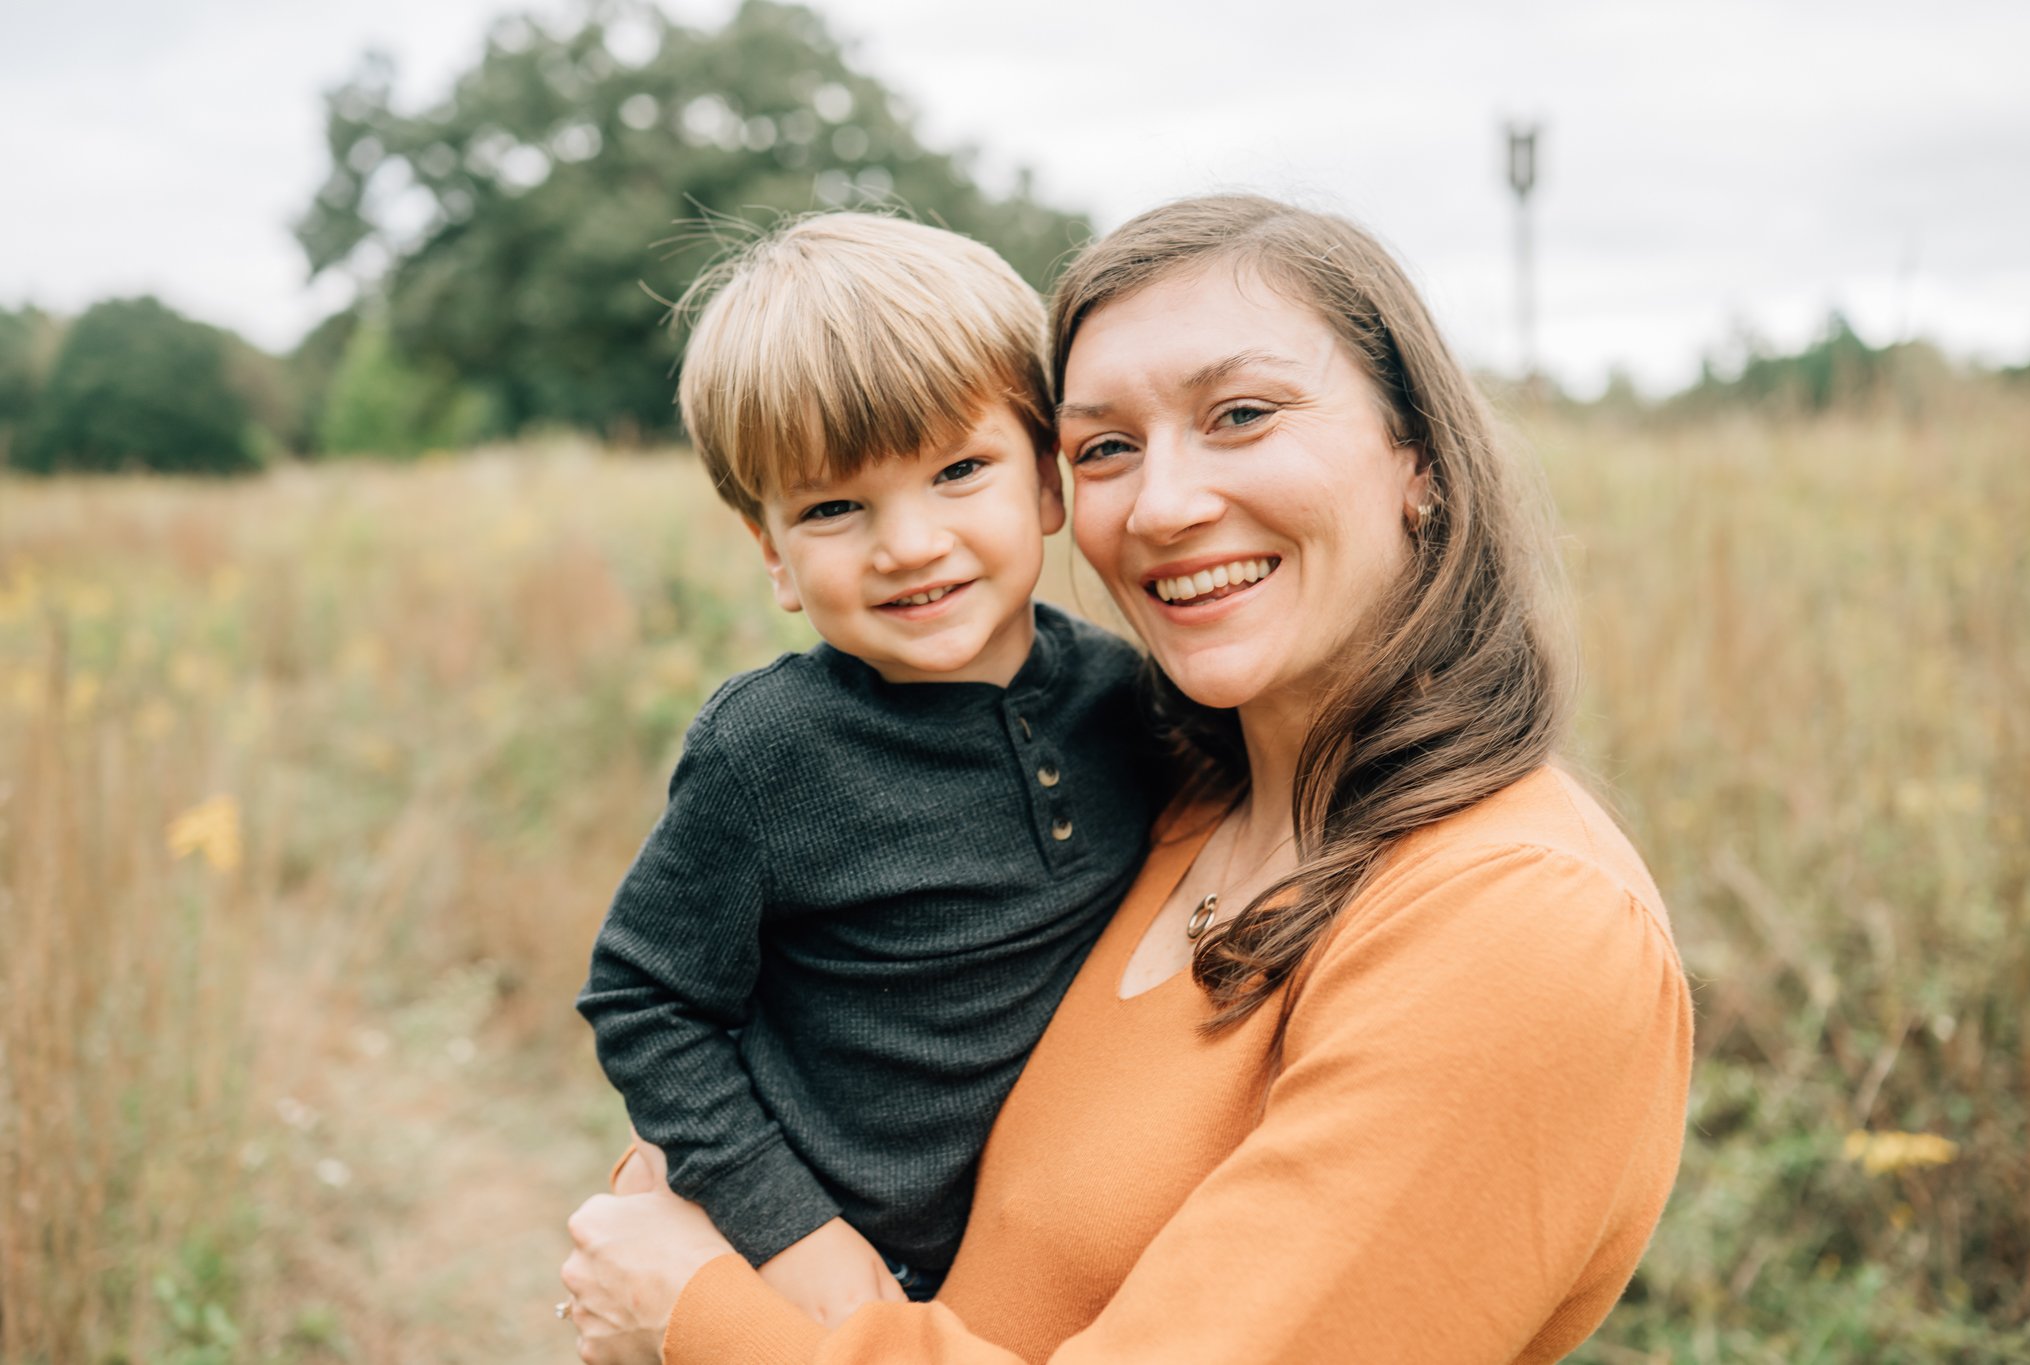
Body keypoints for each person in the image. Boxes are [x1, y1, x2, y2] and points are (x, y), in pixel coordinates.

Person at [561, 194, 1694, 1365]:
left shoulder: (1522, 927)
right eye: (1105, 444)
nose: (1161, 505)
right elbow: (722, 1025)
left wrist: (692, 1314)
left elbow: (687, 1286)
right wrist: (734, 1221)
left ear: (1419, 458)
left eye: (1242, 415)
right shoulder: (1175, 789)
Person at [575, 213, 1155, 1329]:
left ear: (1046, 481)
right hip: (810, 1286)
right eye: (834, 507)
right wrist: (798, 1240)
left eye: (958, 472)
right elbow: (646, 999)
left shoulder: (1127, 699)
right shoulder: (766, 753)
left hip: (1038, 1289)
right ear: (772, 553)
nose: (906, 544)